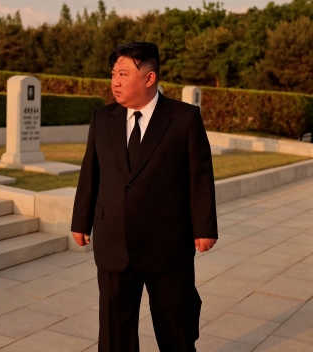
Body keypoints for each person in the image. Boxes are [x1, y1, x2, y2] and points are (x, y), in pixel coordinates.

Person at [71, 42, 218, 352]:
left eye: (124, 74)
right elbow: (90, 172)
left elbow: (200, 177)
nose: (116, 81)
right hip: (113, 241)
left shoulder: (184, 118)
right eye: (113, 74)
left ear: (149, 79)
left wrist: (204, 227)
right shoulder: (102, 118)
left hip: (166, 243)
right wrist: (80, 220)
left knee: (175, 327)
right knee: (115, 332)